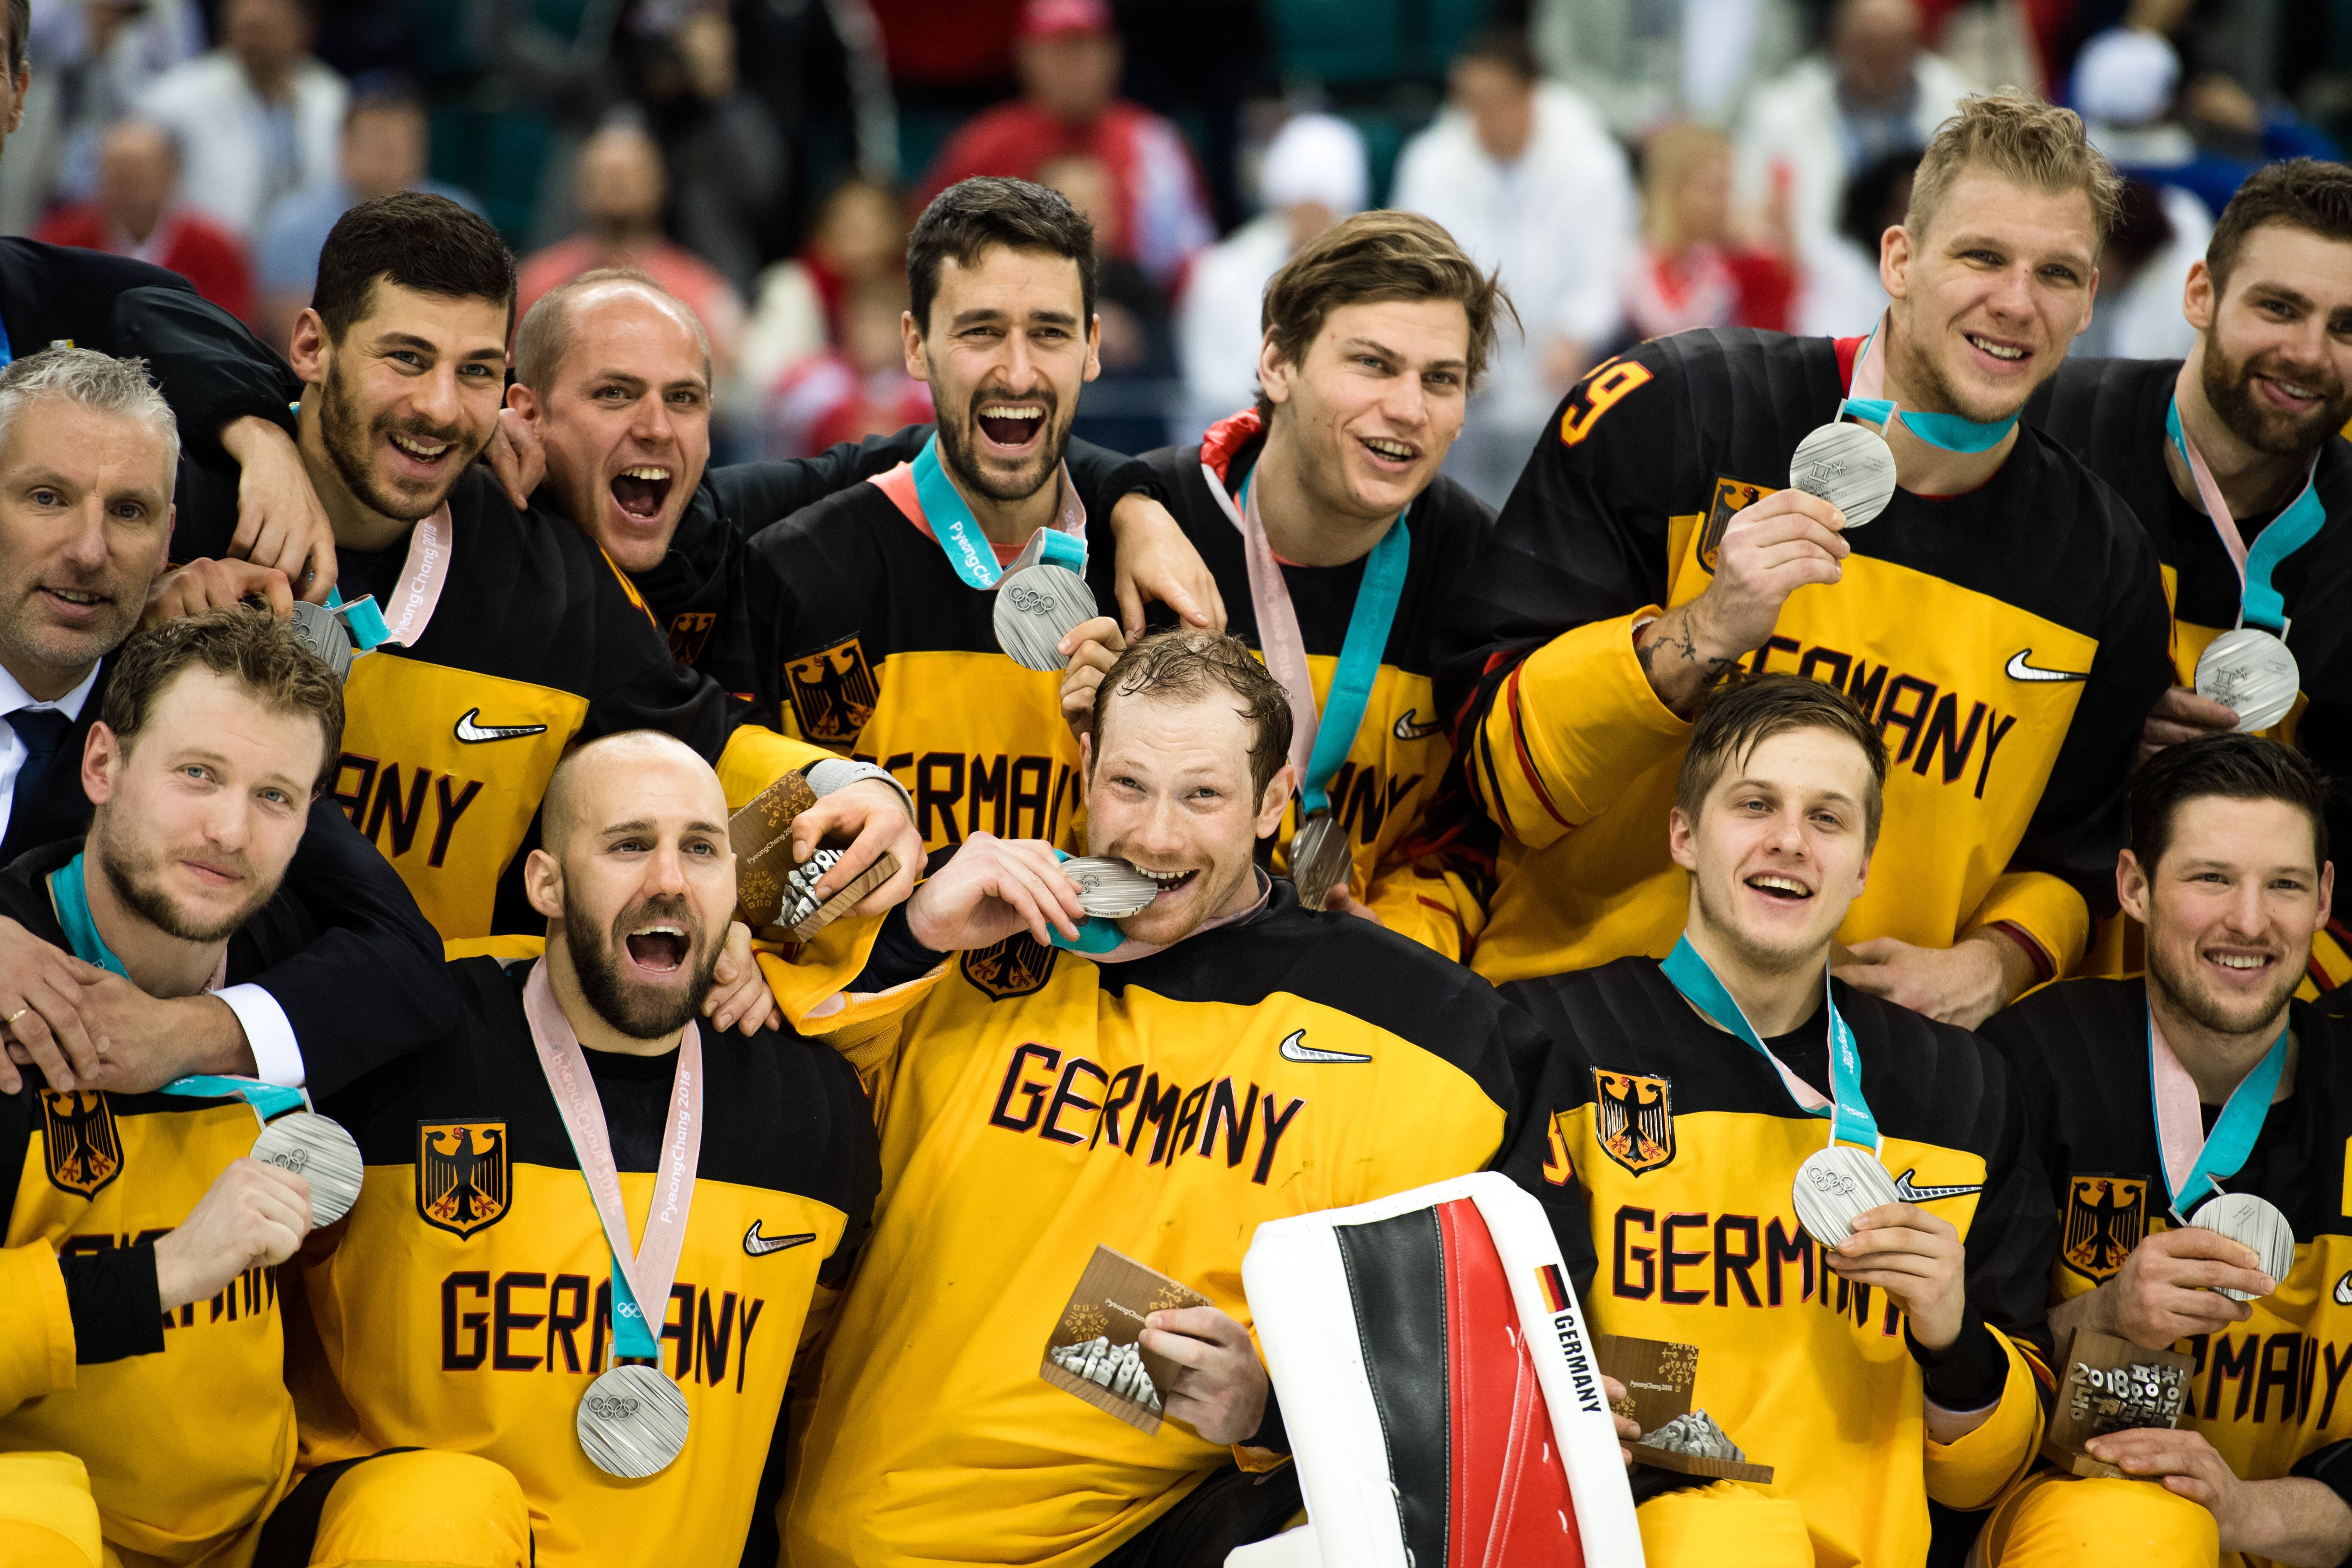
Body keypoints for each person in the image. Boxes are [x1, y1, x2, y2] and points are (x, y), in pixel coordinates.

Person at [774, 628, 1527, 1565]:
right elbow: (776, 1140)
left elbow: (1494, 1382)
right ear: (1084, 764)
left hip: (1126, 1542)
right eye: (1127, 784)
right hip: (831, 1526)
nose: (1155, 834)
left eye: (1202, 793)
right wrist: (910, 941)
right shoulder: (974, 928)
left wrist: (1274, 1407)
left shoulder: (1432, 1028)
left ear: (1271, 803)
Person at [1438, 92, 2173, 1026]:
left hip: (1873, 1092)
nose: (2015, 302)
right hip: (1579, 1037)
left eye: (2056, 273)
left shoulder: (2103, 563)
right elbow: (1493, 777)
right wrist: (1695, 637)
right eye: (1980, 256)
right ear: (1898, 259)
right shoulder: (1672, 411)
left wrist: (1998, 959)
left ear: (2087, 305)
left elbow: (2079, 850)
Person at [164, 194, 918, 953]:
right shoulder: (182, 511)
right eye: (407, 358)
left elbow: (709, 748)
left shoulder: (555, 579)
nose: (438, 407)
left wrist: (854, 790)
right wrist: (257, 435)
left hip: (426, 1045)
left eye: (475, 372)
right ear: (310, 345)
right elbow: (103, 303)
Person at [258, 730, 877, 1568]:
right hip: (400, 1541)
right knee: (434, 1507)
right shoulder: (414, 1032)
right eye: (628, 844)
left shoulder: (814, 1106)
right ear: (545, 882)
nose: (668, 879)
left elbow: (806, 1369)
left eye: (700, 848)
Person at [1497, 673, 2057, 1565]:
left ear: (1865, 862)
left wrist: (1951, 1336)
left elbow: (1980, 1478)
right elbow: (1458, 1362)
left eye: (1827, 818)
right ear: (1682, 833)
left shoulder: (1959, 1085)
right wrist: (1536, 1397)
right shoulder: (1540, 1039)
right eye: (1754, 803)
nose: (1789, 840)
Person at [0, 607, 439, 1566]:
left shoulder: (310, 963)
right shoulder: (13, 978)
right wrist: (164, 1271)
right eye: (196, 772)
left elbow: (426, 972)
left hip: (251, 1517)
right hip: (47, 1517)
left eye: (275, 796)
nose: (230, 830)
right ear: (102, 764)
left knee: (442, 1501)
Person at [0, 346, 451, 1109]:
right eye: (47, 498)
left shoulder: (194, 709)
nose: (88, 550)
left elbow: (404, 963)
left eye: (129, 512)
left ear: (171, 535)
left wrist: (186, 1033)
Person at [1064, 212, 1506, 960]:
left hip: (1348, 994)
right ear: (1277, 362)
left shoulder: (1483, 568)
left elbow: (1477, 833)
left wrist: (1398, 943)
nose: (1408, 407)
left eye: (1442, 379)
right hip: (1128, 976)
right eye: (1372, 363)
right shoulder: (1137, 526)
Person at [742, 177, 1213, 859]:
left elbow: (1184, 889)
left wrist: (1121, 762)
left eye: (1049, 332)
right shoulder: (801, 567)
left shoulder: (1157, 583)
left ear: (1092, 346)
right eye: (981, 331)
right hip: (874, 971)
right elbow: (748, 873)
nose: (1017, 373)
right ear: (914, 344)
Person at [1973, 735, 2352, 1567]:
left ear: (2323, 897)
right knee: (2131, 1532)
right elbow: (1950, 1386)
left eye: (2281, 883)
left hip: (2297, 1530)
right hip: (2084, 1522)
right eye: (2209, 876)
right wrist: (2101, 1316)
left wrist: (2248, 1511)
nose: (2247, 920)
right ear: (2133, 886)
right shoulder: (2030, 1059)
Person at [506, 267, 1216, 700]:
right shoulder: (465, 541)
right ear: (527, 414)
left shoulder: (714, 524)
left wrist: (1133, 505)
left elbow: (933, 450)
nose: (657, 426)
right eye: (615, 394)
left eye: (685, 399)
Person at [2025, 158, 2352, 993]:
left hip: (2243, 1007)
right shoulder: (2040, 437)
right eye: (2276, 307)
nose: (2307, 353)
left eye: (2344, 327)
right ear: (2199, 292)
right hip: (2019, 970)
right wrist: (2097, 732)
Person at [1390, 28, 1637, 509]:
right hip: (1468, 371)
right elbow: (1416, 270)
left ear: (1529, 96)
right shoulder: (1429, 162)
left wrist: (1575, 335)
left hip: (1560, 374)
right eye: (1469, 99)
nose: (1479, 114)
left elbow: (1606, 272)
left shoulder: (1592, 162)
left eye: (1493, 99)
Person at [918, 0, 1214, 293]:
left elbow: (1193, 265)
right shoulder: (984, 145)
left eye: (1086, 50)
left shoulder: (1153, 143)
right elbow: (934, 257)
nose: (1074, 68)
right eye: (1058, 52)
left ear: (1113, 54)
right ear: (1026, 57)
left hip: (1139, 314)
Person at [253, 76, 487, 356]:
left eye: (406, 141)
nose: (392, 153)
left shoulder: (460, 216)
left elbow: (481, 317)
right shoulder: (293, 224)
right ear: (345, 145)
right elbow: (302, 338)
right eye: (378, 139)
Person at [1176, 112, 1367, 444]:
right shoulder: (1221, 273)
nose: (1311, 221)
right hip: (1239, 452)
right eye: (1300, 204)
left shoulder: (1378, 273)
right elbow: (1209, 387)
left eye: (1324, 207)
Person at [1732, 0, 1973, 259]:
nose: (1878, 61)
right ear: (1838, 41)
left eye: (1891, 47)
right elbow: (1745, 215)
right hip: (1821, 279)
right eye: (1866, 45)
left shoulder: (1962, 108)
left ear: (1916, 44)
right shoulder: (1779, 114)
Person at [515, 122, 746, 387]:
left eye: (630, 173)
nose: (617, 182)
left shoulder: (705, 295)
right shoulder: (535, 285)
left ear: (660, 185)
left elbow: (724, 390)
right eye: (605, 173)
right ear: (580, 187)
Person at [141, 0, 347, 239]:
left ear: (301, 28)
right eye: (247, 25)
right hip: (216, 256)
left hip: (304, 257)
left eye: (267, 24)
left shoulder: (331, 98)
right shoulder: (176, 99)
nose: (255, 39)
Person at [35, 118, 254, 325]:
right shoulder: (60, 242)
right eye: (117, 174)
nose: (127, 186)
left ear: (171, 175)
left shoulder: (216, 249)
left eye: (139, 173)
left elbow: (231, 336)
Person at [1621, 121, 1799, 343]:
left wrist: (1780, 228)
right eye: (1714, 189)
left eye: (1728, 188)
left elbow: (1779, 317)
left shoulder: (1739, 265)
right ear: (1672, 192)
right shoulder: (1633, 264)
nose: (1725, 203)